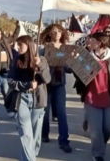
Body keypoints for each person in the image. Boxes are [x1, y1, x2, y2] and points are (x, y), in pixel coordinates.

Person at [74, 32, 110, 161]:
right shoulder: (86, 57)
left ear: (99, 42)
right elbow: (79, 76)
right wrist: (75, 62)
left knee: (108, 127)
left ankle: (100, 143)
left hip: (108, 98)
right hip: (91, 98)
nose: (89, 42)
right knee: (96, 131)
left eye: (92, 40)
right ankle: (97, 154)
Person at [8, 35, 51, 161]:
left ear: (29, 45)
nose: (17, 47)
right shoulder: (16, 60)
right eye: (17, 45)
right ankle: (29, 158)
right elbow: (10, 81)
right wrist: (25, 85)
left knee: (35, 131)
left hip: (38, 99)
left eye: (20, 45)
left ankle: (33, 151)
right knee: (25, 132)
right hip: (21, 98)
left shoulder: (41, 59)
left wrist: (40, 66)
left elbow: (47, 79)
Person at [40, 24, 73, 153]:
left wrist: (71, 61)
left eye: (59, 31)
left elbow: (69, 70)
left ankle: (64, 140)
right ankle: (44, 134)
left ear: (62, 34)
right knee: (45, 111)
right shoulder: (44, 49)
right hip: (46, 84)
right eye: (54, 32)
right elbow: (39, 65)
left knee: (61, 113)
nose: (56, 34)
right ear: (49, 34)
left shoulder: (66, 49)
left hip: (59, 84)